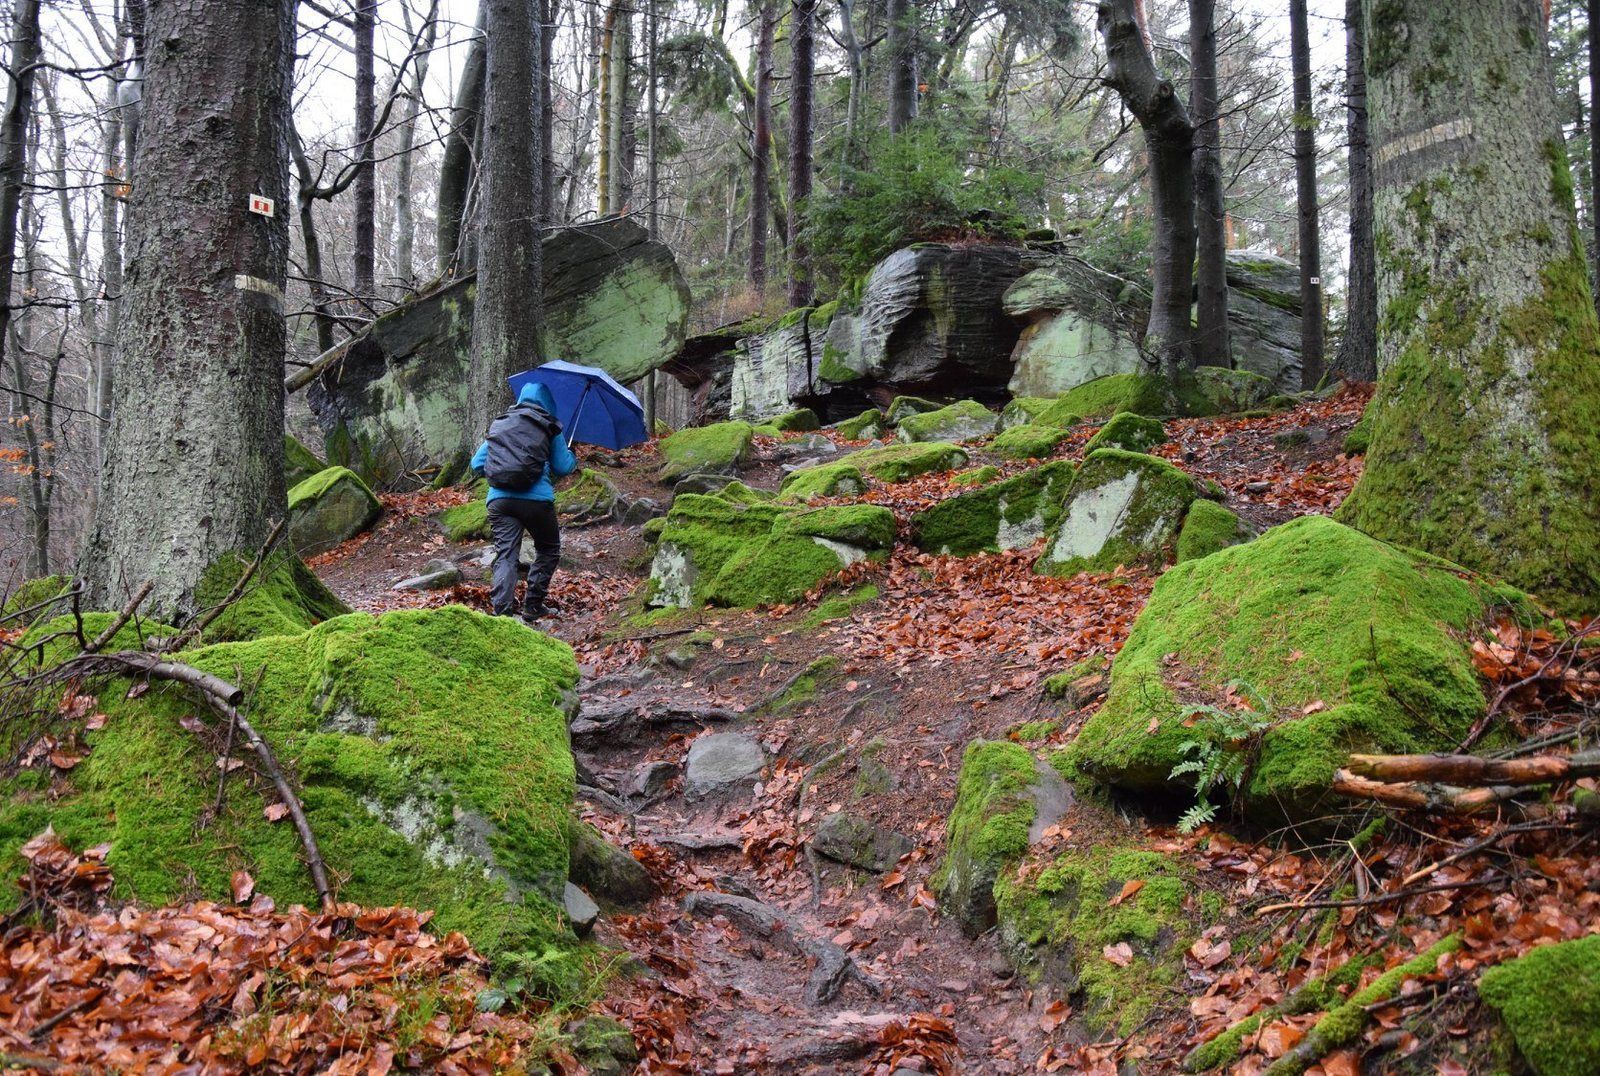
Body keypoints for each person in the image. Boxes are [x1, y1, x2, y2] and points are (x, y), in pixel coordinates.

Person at [470, 382, 578, 622]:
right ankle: (533, 606)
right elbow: (563, 467)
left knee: (506, 554)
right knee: (548, 549)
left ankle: (502, 613)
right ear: (548, 403)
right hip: (537, 501)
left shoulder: (502, 424)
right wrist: (572, 455)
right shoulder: (549, 426)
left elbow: (476, 463)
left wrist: (502, 472)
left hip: (500, 501)